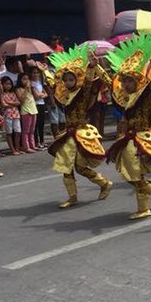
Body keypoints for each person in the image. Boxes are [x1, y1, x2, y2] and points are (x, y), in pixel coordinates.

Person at [107, 36, 151, 219]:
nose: (125, 84)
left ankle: (144, 208)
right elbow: (107, 84)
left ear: (137, 81)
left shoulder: (143, 95)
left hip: (142, 139)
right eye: (124, 81)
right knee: (130, 175)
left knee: (134, 174)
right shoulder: (124, 97)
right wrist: (97, 67)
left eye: (129, 81)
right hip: (128, 138)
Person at [48, 45, 112, 208]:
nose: (68, 83)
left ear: (77, 79)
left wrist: (93, 66)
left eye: (71, 79)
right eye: (66, 80)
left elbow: (90, 82)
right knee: (65, 166)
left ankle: (104, 183)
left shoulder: (83, 93)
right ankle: (72, 196)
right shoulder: (65, 94)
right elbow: (54, 86)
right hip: (68, 134)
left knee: (80, 167)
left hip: (81, 133)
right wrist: (46, 73)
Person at [15, 72, 38, 153]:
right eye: (24, 79)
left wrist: (32, 88)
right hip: (25, 111)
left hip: (33, 109)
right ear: (20, 80)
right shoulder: (18, 89)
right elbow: (21, 100)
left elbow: (36, 97)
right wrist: (25, 89)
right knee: (26, 131)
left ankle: (32, 145)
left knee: (32, 130)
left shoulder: (30, 89)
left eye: (27, 79)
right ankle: (26, 147)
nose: (26, 81)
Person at [0, 76, 22, 156]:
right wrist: (12, 103)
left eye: (9, 84)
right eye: (6, 84)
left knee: (18, 132)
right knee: (9, 133)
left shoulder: (13, 93)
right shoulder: (1, 94)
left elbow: (18, 103)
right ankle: (12, 149)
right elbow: (3, 104)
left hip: (16, 114)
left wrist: (9, 103)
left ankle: (17, 148)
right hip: (8, 114)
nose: (8, 86)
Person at [29, 67, 48, 148]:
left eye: (37, 73)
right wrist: (41, 94)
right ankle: (36, 142)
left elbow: (46, 94)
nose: (35, 74)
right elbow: (36, 97)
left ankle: (42, 141)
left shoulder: (40, 82)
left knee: (41, 124)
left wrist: (41, 95)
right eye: (34, 73)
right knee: (35, 125)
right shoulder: (31, 83)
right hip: (35, 105)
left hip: (42, 104)